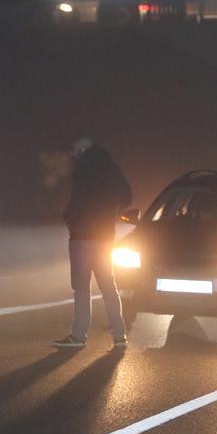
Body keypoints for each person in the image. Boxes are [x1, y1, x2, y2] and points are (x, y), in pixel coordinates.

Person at [53, 137, 132, 349]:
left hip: (81, 236)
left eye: (73, 150)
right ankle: (119, 335)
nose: (71, 155)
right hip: (105, 235)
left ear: (82, 150)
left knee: (81, 288)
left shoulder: (82, 170)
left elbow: (78, 200)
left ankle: (78, 336)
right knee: (108, 285)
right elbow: (127, 198)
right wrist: (110, 210)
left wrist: (70, 217)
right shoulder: (113, 169)